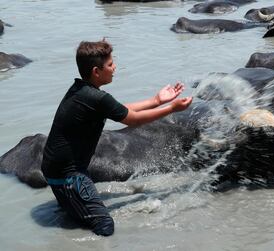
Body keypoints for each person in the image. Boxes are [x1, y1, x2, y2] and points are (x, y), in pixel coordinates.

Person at [41, 39, 193, 236]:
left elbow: (121, 110)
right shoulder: (96, 98)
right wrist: (172, 108)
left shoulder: (81, 90)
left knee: (74, 215)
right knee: (105, 225)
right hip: (70, 175)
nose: (115, 68)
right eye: (110, 65)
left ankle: (72, 208)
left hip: (54, 169)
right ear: (97, 71)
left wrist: (157, 101)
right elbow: (133, 120)